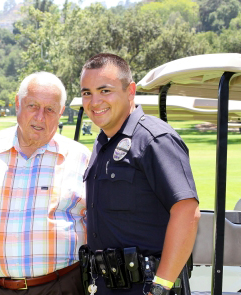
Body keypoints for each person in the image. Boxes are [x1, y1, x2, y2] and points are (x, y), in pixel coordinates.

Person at [79, 53, 200, 295]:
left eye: (105, 90)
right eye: (87, 92)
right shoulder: (103, 143)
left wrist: (161, 287)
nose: (95, 101)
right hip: (106, 285)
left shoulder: (153, 139)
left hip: (145, 287)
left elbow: (187, 211)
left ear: (130, 91)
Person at [0, 72, 91, 294]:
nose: (40, 117)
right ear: (17, 103)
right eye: (32, 105)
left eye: (50, 109)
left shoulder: (81, 158)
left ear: (61, 112)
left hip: (59, 287)